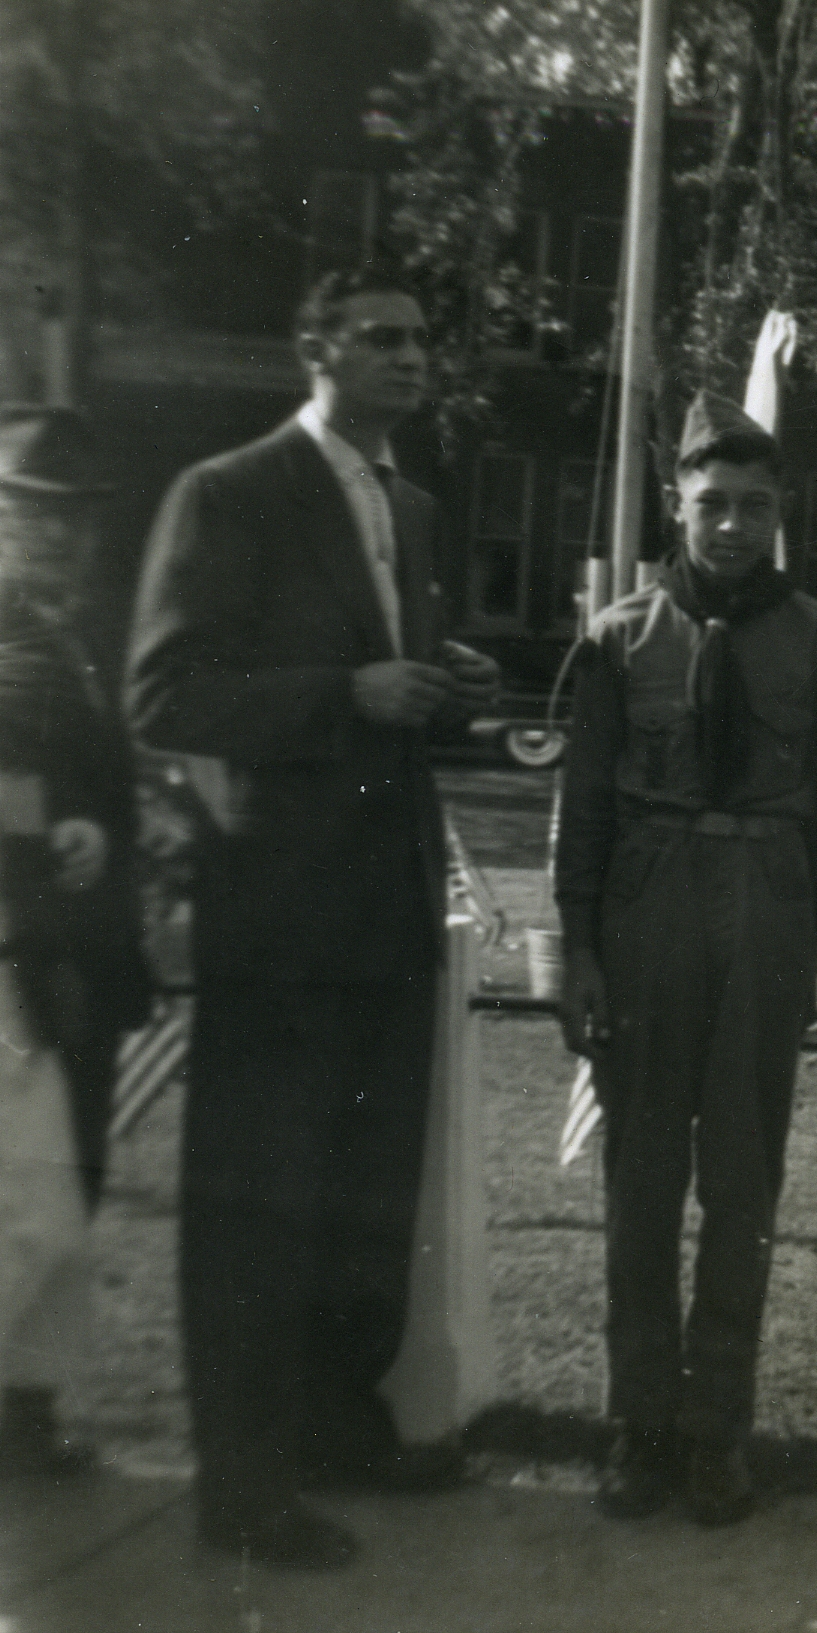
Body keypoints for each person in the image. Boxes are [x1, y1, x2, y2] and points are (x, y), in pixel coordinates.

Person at [127, 267, 501, 1568]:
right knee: (258, 1207)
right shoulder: (228, 493)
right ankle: (243, 1491)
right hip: (278, 923)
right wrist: (348, 688)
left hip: (385, 913)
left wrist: (442, 679)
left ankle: (339, 1436)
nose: (411, 355)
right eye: (381, 336)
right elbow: (165, 696)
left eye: (421, 338)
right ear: (314, 350)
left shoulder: (412, 505)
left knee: (358, 1203)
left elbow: (391, 689)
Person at [554, 392, 817, 1526]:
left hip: (767, 902)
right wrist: (578, 945)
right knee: (640, 1179)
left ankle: (718, 1425)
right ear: (677, 504)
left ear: (781, 514)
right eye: (712, 504)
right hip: (649, 905)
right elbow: (583, 807)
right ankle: (638, 1421)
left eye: (756, 507)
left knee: (743, 1178)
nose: (733, 527)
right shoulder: (621, 637)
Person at [0, 407, 152, 1479]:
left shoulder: (86, 634)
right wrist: (50, 834)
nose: (57, 535)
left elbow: (110, 782)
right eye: (33, 514)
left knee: (74, 1189)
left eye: (74, 519)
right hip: (13, 957)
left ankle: (25, 1412)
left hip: (84, 955)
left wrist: (113, 831)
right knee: (28, 1210)